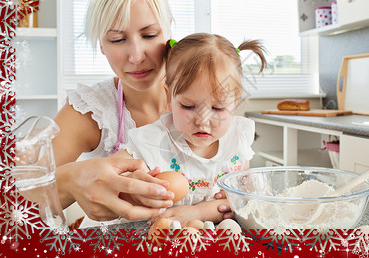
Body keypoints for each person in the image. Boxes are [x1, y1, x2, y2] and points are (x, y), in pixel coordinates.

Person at [52, 0, 231, 225]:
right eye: (117, 39)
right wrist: (70, 181)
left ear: (169, 33)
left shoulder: (207, 96)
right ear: (101, 46)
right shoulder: (91, 110)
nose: (136, 56)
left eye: (149, 35)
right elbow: (10, 194)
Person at [82, 33, 267, 227]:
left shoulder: (237, 140)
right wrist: (131, 188)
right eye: (188, 106)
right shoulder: (151, 143)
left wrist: (198, 212)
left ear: (235, 104)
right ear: (169, 98)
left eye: (217, 108)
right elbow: (102, 181)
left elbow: (241, 201)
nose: (202, 121)